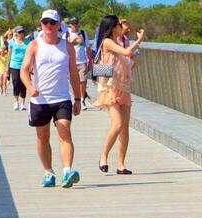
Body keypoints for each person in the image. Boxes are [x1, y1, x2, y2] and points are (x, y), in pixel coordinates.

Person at [21, 9, 84, 188]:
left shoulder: (67, 46)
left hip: (62, 98)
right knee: (42, 138)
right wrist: (30, 87)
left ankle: (67, 172)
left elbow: (73, 72)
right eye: (45, 22)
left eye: (52, 22)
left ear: (58, 25)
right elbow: (24, 70)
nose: (48, 26)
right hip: (40, 100)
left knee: (65, 131)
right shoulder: (34, 45)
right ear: (41, 25)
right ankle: (48, 172)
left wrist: (77, 99)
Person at [93, 15, 144, 175]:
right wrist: (140, 40)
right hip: (110, 88)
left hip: (124, 87)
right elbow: (128, 52)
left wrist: (129, 62)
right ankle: (103, 156)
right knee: (117, 124)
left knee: (125, 129)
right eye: (118, 25)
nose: (121, 27)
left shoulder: (120, 43)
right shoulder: (107, 42)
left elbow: (134, 60)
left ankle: (121, 164)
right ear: (113, 27)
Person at [8, 27, 31, 110]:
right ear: (16, 33)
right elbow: (9, 55)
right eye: (19, 32)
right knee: (15, 83)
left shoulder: (28, 42)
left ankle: (23, 103)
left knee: (23, 84)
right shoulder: (11, 42)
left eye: (22, 32)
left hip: (24, 66)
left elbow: (30, 55)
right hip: (14, 65)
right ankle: (16, 102)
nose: (21, 33)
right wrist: (7, 68)